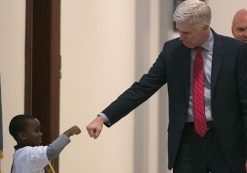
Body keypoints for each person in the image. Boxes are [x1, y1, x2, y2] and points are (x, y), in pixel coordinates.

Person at [86, 0, 247, 172]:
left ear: (204, 28)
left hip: (226, 140)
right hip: (187, 140)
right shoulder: (172, 51)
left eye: (187, 33)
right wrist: (103, 117)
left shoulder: (235, 51)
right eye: (179, 31)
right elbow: (143, 87)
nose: (181, 37)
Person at [9, 114, 81, 173]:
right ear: (23, 136)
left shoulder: (22, 154)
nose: (41, 134)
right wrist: (69, 133)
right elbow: (52, 151)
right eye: (36, 131)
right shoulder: (27, 153)